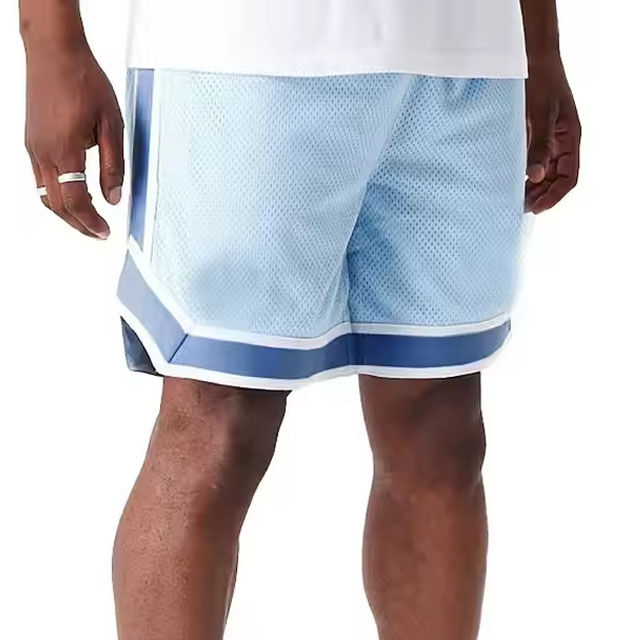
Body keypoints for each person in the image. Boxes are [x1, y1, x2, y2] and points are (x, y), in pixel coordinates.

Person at [20, 0, 580, 638]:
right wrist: (50, 40)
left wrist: (541, 45)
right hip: (243, 55)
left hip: (468, 59)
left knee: (441, 426)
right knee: (220, 422)